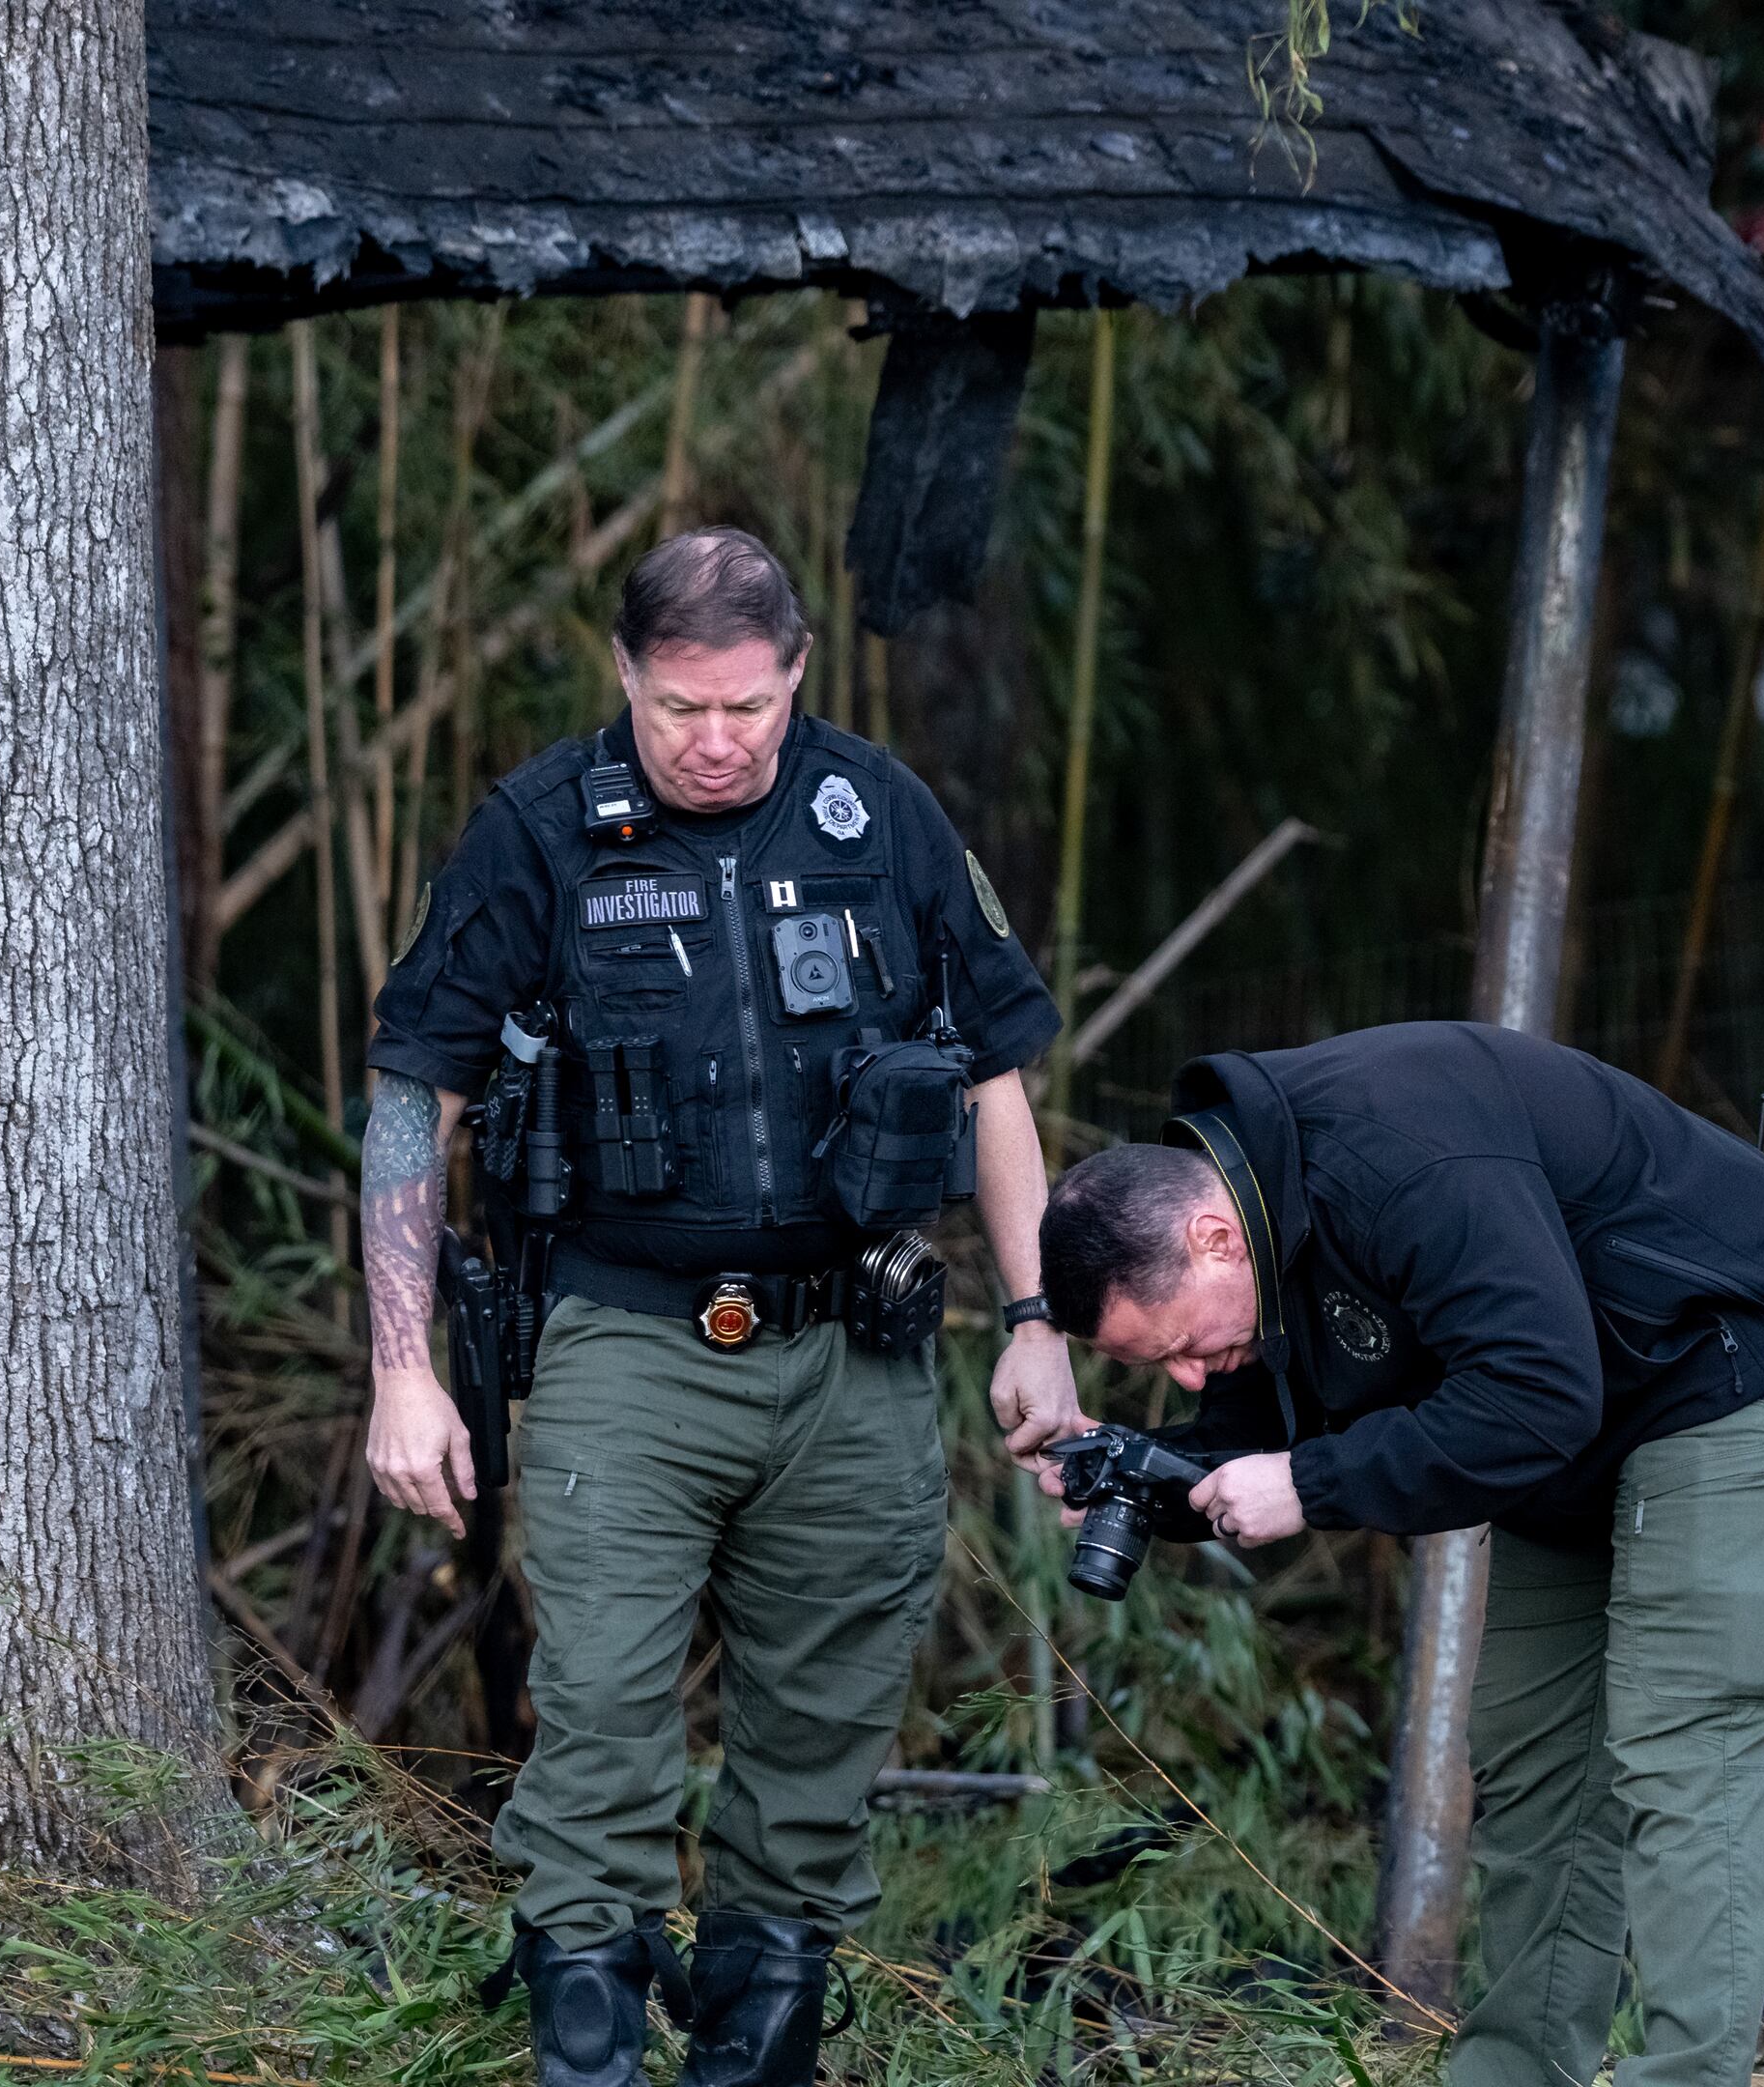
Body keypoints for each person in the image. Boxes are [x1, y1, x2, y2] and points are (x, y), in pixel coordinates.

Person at [358, 528, 1082, 2087]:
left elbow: (999, 1071)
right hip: (625, 1338)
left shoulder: (879, 818)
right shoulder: (541, 831)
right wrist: (399, 1367)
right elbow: (414, 1093)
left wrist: (1038, 1322)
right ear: (625, 674)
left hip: (853, 1350)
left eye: (747, 707)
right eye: (680, 705)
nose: (713, 740)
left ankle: (758, 2045)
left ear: (799, 673)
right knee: (604, 1711)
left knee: (821, 1747)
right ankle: (591, 2037)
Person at [1035, 1020, 1764, 2087]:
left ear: (1211, 1238)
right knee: (1534, 1763)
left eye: (1185, 1349)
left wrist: (1313, 1485)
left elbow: (1533, 1394)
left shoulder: (1401, 1160)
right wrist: (1154, 1481)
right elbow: (1260, 1438)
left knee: (1680, 1746)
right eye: (1166, 1371)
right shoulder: (1262, 1217)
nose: (1192, 1377)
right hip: (1574, 1420)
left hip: (1727, 1364)